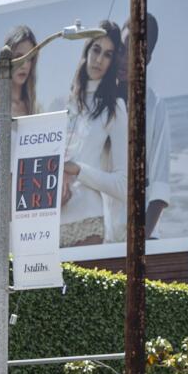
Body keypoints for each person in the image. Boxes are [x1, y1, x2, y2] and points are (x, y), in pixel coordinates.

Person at [60, 21, 128, 247]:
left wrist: (78, 170)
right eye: (96, 50)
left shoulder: (114, 107)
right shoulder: (60, 103)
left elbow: (123, 185)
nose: (99, 60)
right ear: (87, 50)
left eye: (107, 55)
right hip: (50, 219)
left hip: (88, 221)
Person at [118, 14, 171, 237]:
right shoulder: (97, 100)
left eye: (132, 49)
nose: (122, 57)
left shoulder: (155, 106)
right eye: (121, 47)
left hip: (141, 241)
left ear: (146, 58)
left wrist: (139, 243)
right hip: (95, 237)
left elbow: (159, 191)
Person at [0, 25, 41, 122]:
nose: (24, 65)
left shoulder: (36, 110)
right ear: (7, 60)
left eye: (29, 58)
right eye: (19, 56)